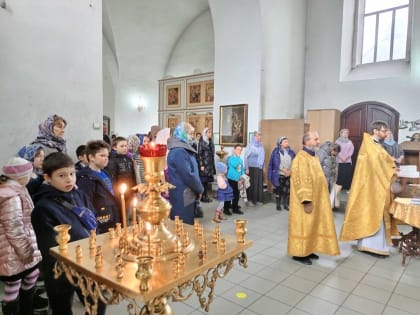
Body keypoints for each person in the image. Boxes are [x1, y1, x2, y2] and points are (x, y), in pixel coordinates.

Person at [31, 152, 106, 315]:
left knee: (97, 304)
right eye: (62, 175)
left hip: (88, 262)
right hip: (62, 269)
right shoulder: (43, 208)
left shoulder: (78, 194)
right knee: (62, 309)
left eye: (72, 174)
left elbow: (92, 218)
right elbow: (50, 249)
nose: (69, 179)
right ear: (47, 178)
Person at [340, 120, 396, 258]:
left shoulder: (375, 144)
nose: (385, 133)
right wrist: (391, 168)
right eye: (383, 131)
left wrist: (393, 166)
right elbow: (376, 164)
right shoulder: (369, 144)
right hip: (370, 185)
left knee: (375, 212)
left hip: (376, 184)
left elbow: (382, 161)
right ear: (375, 131)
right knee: (371, 212)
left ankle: (370, 244)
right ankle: (371, 245)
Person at [288, 131, 340, 265]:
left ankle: (309, 249)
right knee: (304, 226)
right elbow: (302, 181)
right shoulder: (301, 158)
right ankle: (299, 253)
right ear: (307, 141)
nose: (318, 141)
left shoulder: (313, 156)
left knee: (312, 226)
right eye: (315, 139)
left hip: (316, 200)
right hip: (305, 202)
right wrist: (306, 201)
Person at [0, 157, 44, 315]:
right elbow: (14, 228)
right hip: (13, 251)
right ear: (21, 177)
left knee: (31, 274)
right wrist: (26, 252)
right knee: (13, 285)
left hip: (18, 249)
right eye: (29, 174)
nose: (31, 177)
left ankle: (27, 309)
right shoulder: (11, 196)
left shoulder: (14, 189)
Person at [76, 140, 122, 234]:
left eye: (107, 156)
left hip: (112, 215)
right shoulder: (85, 178)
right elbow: (86, 204)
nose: (106, 159)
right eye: (102, 156)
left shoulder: (105, 172)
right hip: (101, 221)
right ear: (91, 157)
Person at [167, 122, 204, 225]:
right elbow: (188, 175)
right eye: (190, 134)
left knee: (185, 223)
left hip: (186, 192)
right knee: (183, 224)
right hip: (182, 193)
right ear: (182, 133)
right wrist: (199, 189)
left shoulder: (183, 149)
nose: (192, 137)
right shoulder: (179, 151)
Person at [106, 136, 137, 207]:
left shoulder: (128, 159)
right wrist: (115, 192)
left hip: (130, 189)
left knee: (128, 209)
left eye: (126, 146)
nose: (125, 148)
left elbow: (133, 175)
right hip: (119, 191)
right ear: (114, 147)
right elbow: (112, 177)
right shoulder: (112, 160)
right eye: (122, 146)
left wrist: (135, 189)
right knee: (121, 209)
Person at [267, 136, 296, 211]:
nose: (287, 143)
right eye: (285, 141)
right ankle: (278, 204)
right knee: (278, 190)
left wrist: (290, 171)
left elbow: (295, 163)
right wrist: (284, 171)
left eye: (287, 141)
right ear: (280, 143)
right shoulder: (276, 152)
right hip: (279, 174)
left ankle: (285, 204)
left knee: (287, 191)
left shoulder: (291, 152)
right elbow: (274, 163)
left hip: (289, 174)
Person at [316, 141, 341, 208]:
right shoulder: (321, 152)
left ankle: (328, 207)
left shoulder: (334, 154)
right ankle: (320, 207)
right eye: (335, 153)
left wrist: (335, 178)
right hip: (323, 176)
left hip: (331, 176)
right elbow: (318, 164)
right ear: (332, 149)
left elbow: (336, 166)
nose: (336, 154)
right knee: (322, 193)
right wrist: (321, 176)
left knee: (331, 192)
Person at [244, 131, 265, 206]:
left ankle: (257, 200)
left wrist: (263, 167)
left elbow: (263, 158)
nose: (258, 137)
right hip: (251, 167)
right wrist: (246, 168)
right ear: (253, 137)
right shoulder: (250, 146)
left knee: (258, 184)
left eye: (259, 136)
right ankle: (249, 200)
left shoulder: (261, 145)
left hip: (259, 167)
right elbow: (245, 157)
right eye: (256, 136)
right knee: (251, 184)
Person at [334, 128, 354, 208]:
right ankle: (338, 189)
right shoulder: (337, 142)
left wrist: (347, 157)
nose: (345, 134)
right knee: (340, 175)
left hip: (348, 161)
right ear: (341, 134)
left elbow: (351, 150)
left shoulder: (350, 142)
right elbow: (336, 150)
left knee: (347, 175)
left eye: (347, 133)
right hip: (340, 161)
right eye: (344, 133)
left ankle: (346, 188)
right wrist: (342, 157)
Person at [224, 145, 245, 215]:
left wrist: (242, 177)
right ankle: (226, 209)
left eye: (240, 150)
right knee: (229, 194)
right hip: (231, 179)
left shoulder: (240, 159)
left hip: (238, 179)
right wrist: (238, 157)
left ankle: (235, 208)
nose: (240, 151)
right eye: (238, 149)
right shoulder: (230, 158)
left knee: (236, 194)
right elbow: (235, 165)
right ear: (234, 150)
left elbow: (242, 169)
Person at [197, 127, 216, 203]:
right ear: (205, 133)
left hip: (210, 164)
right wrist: (201, 165)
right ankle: (203, 196)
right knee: (203, 181)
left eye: (210, 132)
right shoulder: (202, 142)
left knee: (207, 181)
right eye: (208, 132)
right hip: (204, 164)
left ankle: (205, 195)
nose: (210, 134)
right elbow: (200, 154)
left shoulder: (210, 141)